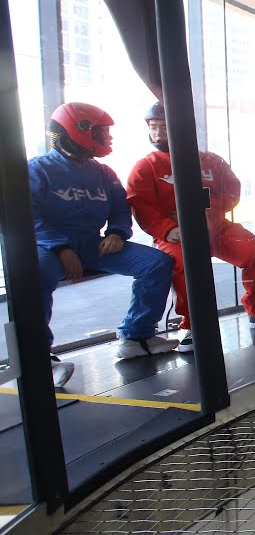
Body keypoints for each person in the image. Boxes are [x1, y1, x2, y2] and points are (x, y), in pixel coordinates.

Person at [127, 102, 255, 353]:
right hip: (176, 234)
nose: (158, 134)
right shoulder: (146, 166)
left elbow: (232, 190)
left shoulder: (210, 161)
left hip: (218, 228)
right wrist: (167, 229)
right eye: (153, 127)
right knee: (184, 266)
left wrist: (208, 210)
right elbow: (140, 205)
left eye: (164, 127)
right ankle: (194, 325)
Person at [29, 103, 178, 377]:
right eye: (101, 133)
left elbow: (120, 208)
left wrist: (116, 233)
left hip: (91, 244)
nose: (107, 138)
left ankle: (137, 337)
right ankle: (38, 360)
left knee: (156, 264)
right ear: (78, 131)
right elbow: (29, 217)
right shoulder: (37, 171)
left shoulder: (103, 173)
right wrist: (61, 248)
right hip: (49, 248)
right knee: (33, 275)